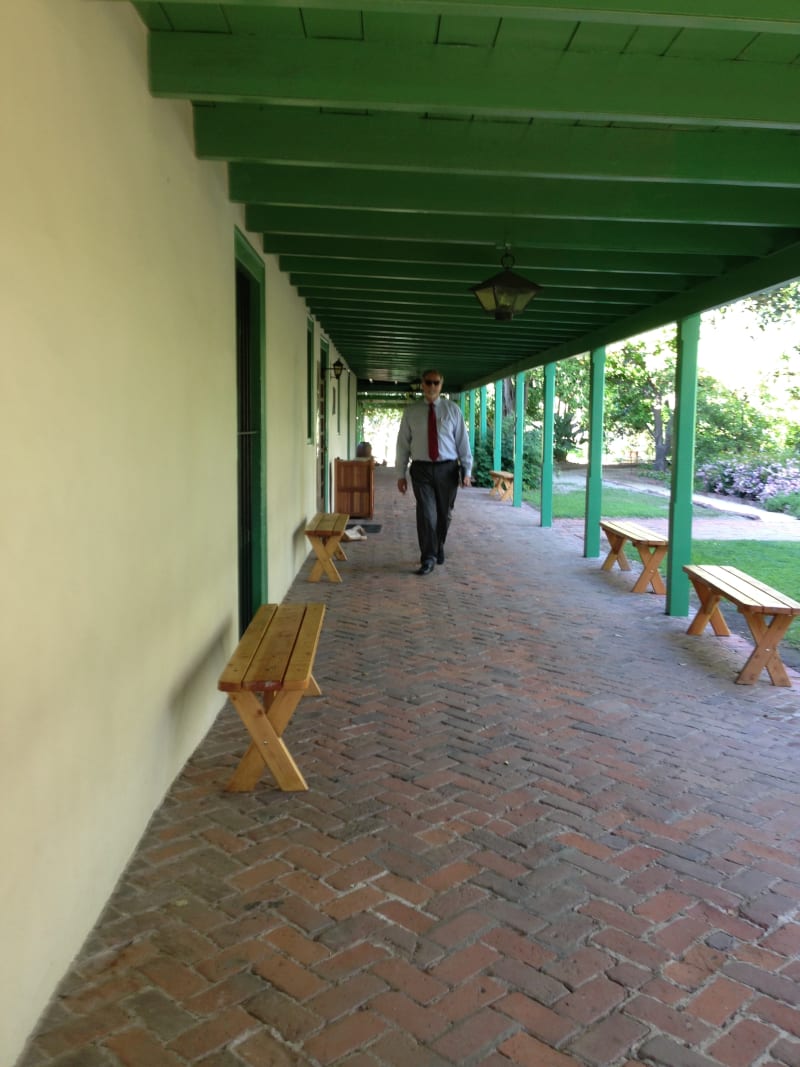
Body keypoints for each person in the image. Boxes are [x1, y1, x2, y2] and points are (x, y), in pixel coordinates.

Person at [395, 369, 473, 575]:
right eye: (428, 382)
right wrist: (400, 474)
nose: (431, 387)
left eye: (435, 383)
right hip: (421, 469)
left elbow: (462, 442)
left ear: (441, 384)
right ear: (422, 384)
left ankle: (439, 545)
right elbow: (403, 444)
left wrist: (466, 470)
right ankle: (428, 557)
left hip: (447, 469)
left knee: (444, 514)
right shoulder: (411, 412)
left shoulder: (452, 410)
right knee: (427, 514)